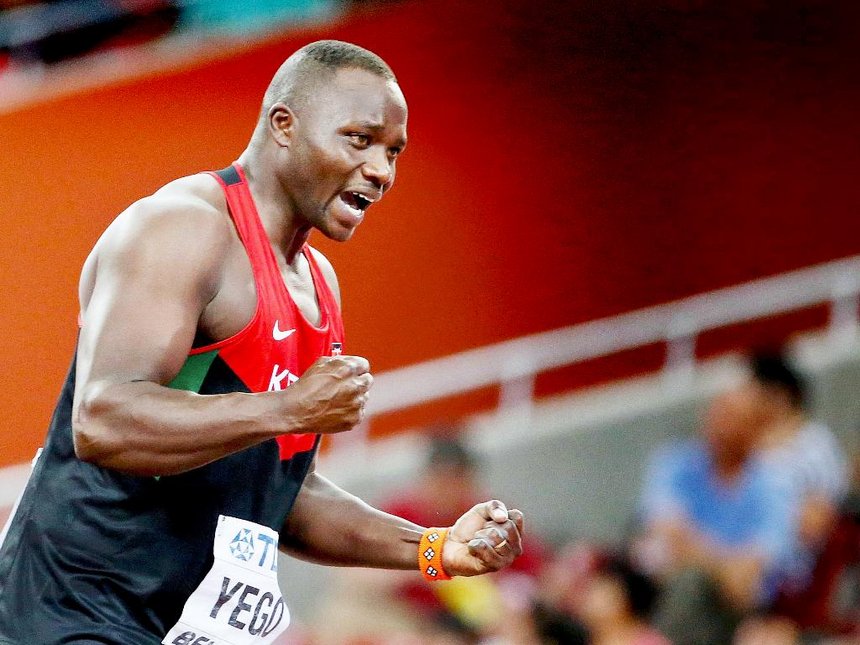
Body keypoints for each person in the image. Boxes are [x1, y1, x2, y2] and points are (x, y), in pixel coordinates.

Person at [0, 40, 524, 645]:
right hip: (67, 619)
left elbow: (281, 494)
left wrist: (435, 549)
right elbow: (103, 420)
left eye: (393, 152)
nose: (382, 171)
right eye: (359, 139)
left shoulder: (318, 284)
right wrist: (288, 408)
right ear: (283, 125)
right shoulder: (184, 228)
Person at [633, 372, 798, 645]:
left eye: (731, 418)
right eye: (716, 413)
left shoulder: (773, 485)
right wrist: (723, 563)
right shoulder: (675, 462)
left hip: (738, 610)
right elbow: (664, 535)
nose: (718, 425)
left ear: (754, 430)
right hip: (662, 588)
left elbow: (748, 578)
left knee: (694, 581)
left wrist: (696, 552)